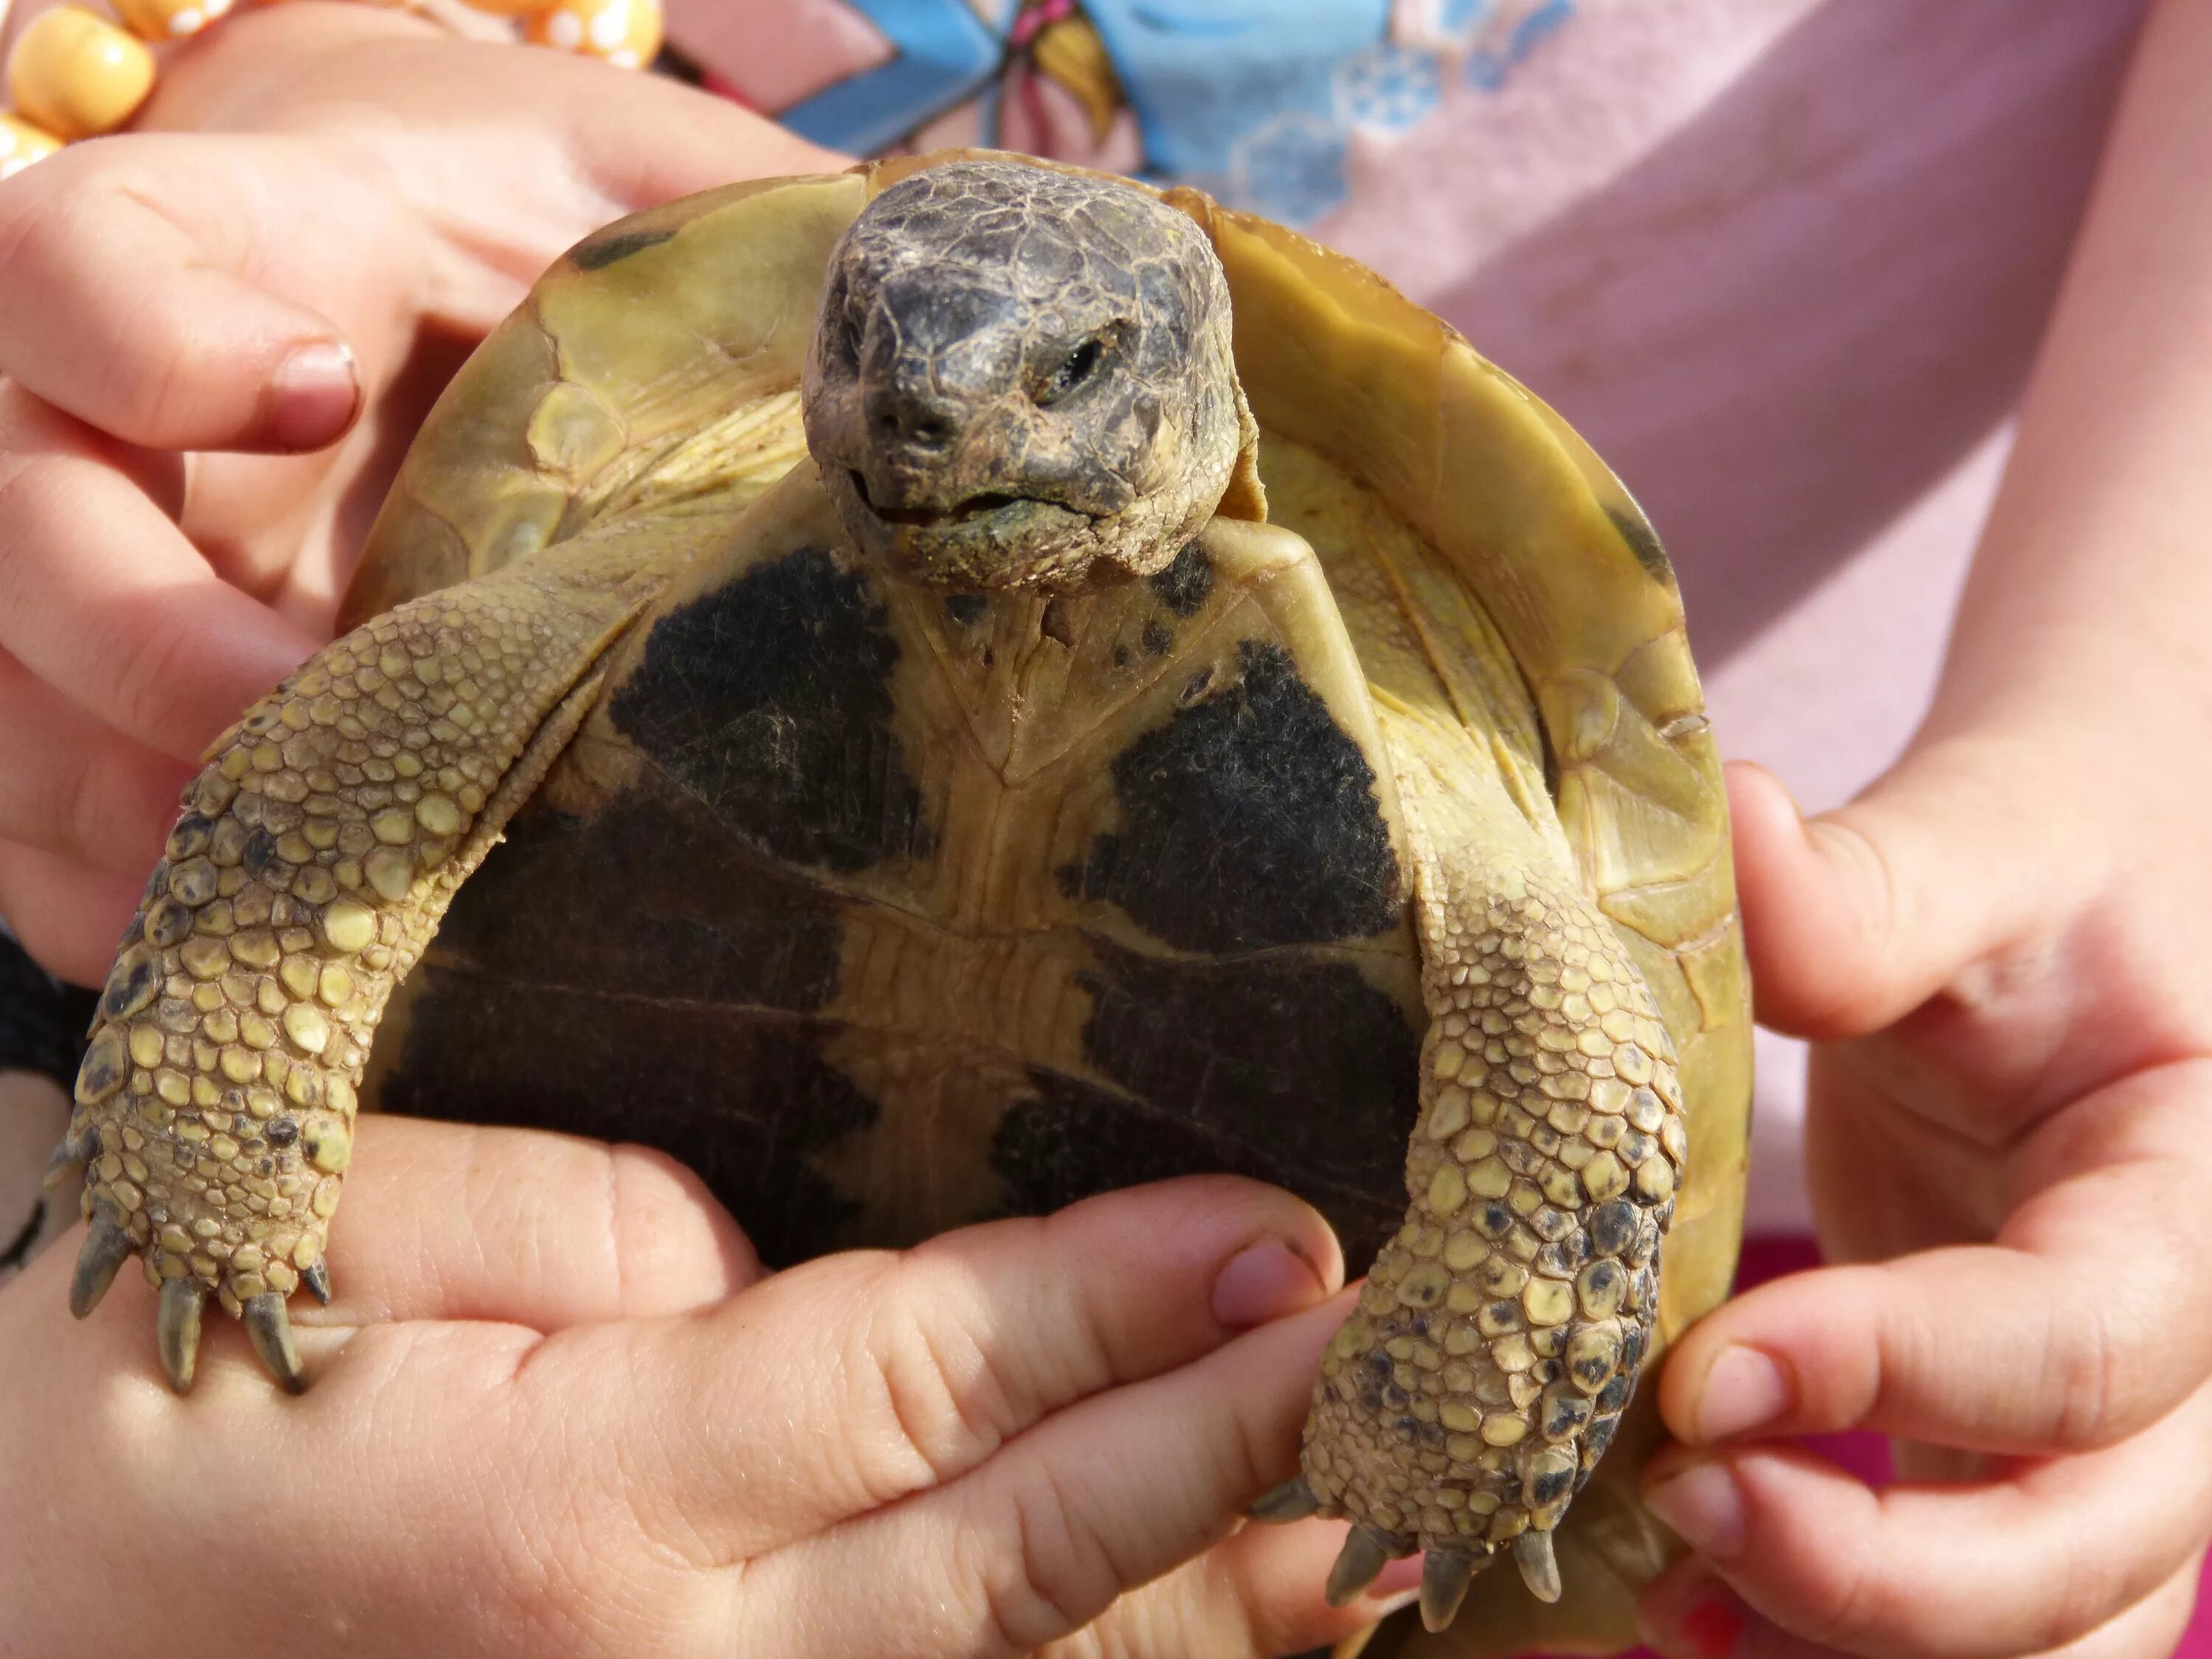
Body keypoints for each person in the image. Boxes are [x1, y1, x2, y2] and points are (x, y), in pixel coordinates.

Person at [1, 2, 2210, 1656]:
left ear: (1174, 376)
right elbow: (344, 754)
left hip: (1871, 1220)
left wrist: (2140, 745)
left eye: (1055, 382)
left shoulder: (1447, 705)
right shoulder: (671, 512)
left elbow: (1568, 1024)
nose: (936, 412)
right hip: (447, 1393)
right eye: (876, 354)